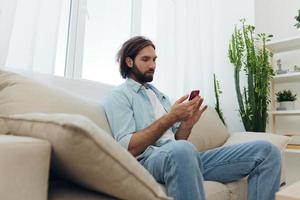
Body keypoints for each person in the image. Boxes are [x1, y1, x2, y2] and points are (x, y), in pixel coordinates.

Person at [103, 36, 281, 200]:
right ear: (129, 61)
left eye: (154, 59)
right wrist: (171, 117)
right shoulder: (119, 95)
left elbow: (177, 139)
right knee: (183, 150)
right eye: (145, 59)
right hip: (149, 161)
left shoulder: (159, 96)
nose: (153, 65)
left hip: (182, 159)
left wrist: (187, 124)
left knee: (266, 151)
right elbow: (128, 148)